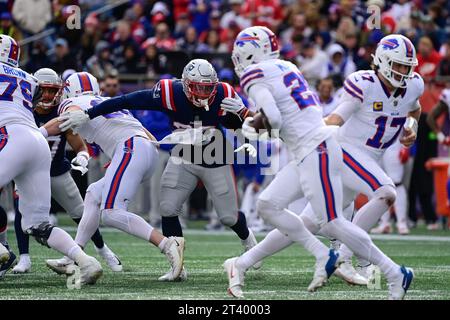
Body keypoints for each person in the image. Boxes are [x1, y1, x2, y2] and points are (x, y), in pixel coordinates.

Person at [223, 27, 415, 300]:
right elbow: (285, 113)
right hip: (312, 148)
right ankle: (240, 264)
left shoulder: (254, 73)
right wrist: (250, 118)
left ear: (248, 52)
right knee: (268, 204)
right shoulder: (286, 66)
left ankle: (394, 271)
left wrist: (249, 127)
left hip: (316, 149)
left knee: (332, 222)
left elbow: (275, 120)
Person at [57, 59, 261, 281]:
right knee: (167, 207)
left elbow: (250, 129)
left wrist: (241, 113)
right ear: (185, 84)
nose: (203, 93)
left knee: (228, 217)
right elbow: (127, 100)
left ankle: (248, 239)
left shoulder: (223, 92)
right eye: (198, 87)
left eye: (208, 87)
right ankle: (177, 266)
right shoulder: (169, 92)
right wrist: (90, 114)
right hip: (183, 155)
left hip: (215, 156)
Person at [41, 71, 183, 281]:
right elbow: (146, 133)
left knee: (111, 212)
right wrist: (123, 158)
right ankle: (74, 256)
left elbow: (64, 119)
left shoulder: (72, 101)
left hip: (130, 148)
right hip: (146, 149)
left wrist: (38, 133)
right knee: (93, 194)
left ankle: (167, 244)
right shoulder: (107, 101)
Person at [0, 34, 102, 286]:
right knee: (37, 225)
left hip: (11, 136)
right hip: (37, 141)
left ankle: (1, 251)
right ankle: (85, 261)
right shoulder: (28, 78)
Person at [12, 68, 122, 274]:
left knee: (81, 213)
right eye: (42, 90)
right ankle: (24, 257)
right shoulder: (23, 112)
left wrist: (82, 157)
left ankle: (103, 249)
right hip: (28, 174)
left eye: (51, 91)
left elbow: (81, 146)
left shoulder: (61, 113)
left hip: (57, 172)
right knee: (21, 211)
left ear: (59, 92)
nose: (46, 96)